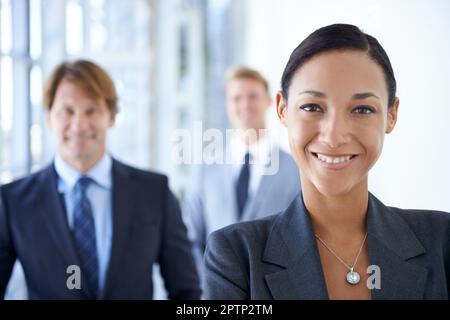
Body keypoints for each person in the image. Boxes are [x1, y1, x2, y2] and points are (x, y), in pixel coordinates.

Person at [203, 24, 450, 300]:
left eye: (362, 109)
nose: (333, 137)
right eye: (312, 107)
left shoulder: (442, 242)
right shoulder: (236, 257)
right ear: (282, 110)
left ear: (391, 115)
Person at [0, 60, 201, 299]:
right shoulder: (13, 202)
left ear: (111, 117)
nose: (79, 124)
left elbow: (186, 292)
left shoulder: (153, 192)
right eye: (67, 111)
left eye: (91, 110)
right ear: (49, 118)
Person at [183, 67, 300, 284]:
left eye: (253, 96)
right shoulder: (206, 169)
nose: (245, 105)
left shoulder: (294, 168)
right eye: (236, 98)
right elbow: (191, 237)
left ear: (268, 101)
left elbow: (300, 237)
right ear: (228, 105)